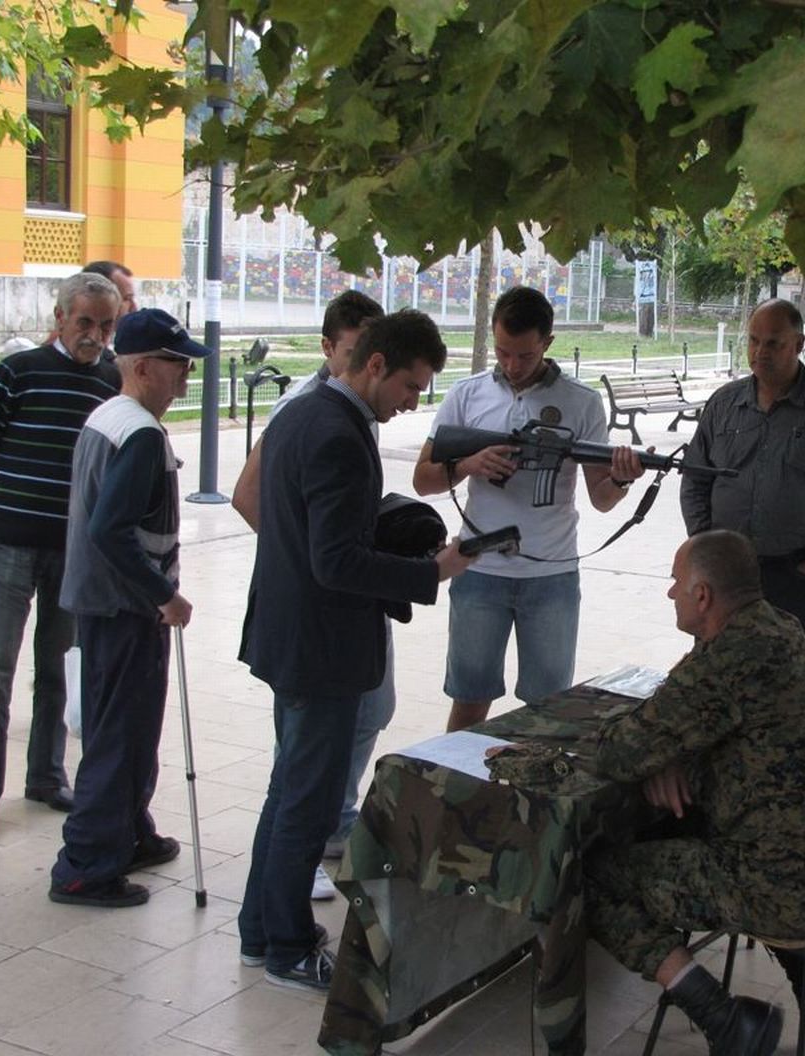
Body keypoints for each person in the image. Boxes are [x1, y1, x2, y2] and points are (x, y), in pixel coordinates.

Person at [238, 309, 474, 991]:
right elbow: (336, 560)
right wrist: (432, 571)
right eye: (410, 386)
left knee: (289, 791)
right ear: (376, 365)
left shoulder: (301, 410)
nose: (414, 403)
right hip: (321, 649)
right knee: (308, 804)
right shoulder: (338, 432)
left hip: (292, 636)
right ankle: (287, 946)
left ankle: (260, 931)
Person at [586, 530, 805, 1055]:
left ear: (702, 595)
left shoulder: (729, 660)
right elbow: (683, 712)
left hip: (786, 891)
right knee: (691, 822)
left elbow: (620, 751)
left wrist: (661, 751)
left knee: (591, 875)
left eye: (676, 582)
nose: (669, 593)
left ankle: (724, 1020)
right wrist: (671, 751)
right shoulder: (775, 628)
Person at [412, 285, 644, 732]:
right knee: (469, 700)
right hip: (477, 570)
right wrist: (467, 465)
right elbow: (423, 479)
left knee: (550, 711)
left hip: (552, 575)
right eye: (503, 352)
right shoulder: (466, 394)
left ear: (548, 343)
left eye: (525, 355)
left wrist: (620, 477)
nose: (513, 365)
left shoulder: (582, 401)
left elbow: (601, 499)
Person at [232, 290, 391, 899]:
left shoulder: (352, 412)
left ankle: (326, 828)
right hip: (317, 618)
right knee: (301, 771)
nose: (370, 361)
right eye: (357, 350)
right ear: (329, 348)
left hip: (340, 612)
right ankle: (288, 903)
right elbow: (248, 495)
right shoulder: (308, 410)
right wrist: (304, 560)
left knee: (366, 715)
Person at [49, 308, 207, 908]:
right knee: (120, 736)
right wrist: (163, 594)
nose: (185, 375)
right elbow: (110, 531)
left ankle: (129, 833)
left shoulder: (109, 415)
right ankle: (86, 866)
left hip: (103, 602)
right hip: (125, 606)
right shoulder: (139, 434)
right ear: (142, 368)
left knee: (124, 730)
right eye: (177, 364)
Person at [0, 272, 122, 841]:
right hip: (9, 546)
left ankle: (47, 777)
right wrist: (9, 503)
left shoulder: (111, 381)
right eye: (85, 322)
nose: (95, 335)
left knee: (56, 670)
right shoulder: (18, 371)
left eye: (106, 325)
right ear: (60, 318)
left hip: (71, 552)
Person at [680, 298, 805, 654]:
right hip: (726, 579)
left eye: (773, 343)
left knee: (797, 679)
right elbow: (695, 479)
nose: (760, 352)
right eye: (754, 341)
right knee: (719, 675)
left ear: (799, 345)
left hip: (796, 577)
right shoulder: (723, 404)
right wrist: (706, 544)